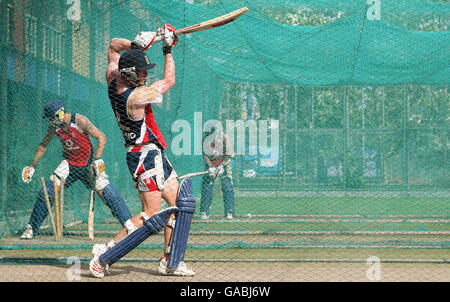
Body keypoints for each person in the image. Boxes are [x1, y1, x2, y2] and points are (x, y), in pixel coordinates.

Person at [88, 24, 195, 278]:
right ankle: (104, 255)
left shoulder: (113, 76)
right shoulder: (136, 98)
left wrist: (140, 44)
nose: (145, 75)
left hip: (153, 152)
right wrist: (167, 48)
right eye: (141, 72)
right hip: (143, 156)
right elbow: (169, 80)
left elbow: (114, 44)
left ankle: (170, 260)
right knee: (151, 215)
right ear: (130, 73)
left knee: (181, 205)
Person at [20, 100, 132, 239]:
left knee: (107, 192)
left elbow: (101, 136)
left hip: (88, 163)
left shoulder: (79, 120)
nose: (51, 122)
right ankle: (31, 228)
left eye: (53, 118)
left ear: (60, 113)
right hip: (69, 164)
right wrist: (32, 166)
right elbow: (43, 145)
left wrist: (97, 159)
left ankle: (130, 225)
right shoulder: (54, 127)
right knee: (47, 191)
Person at [199, 127, 235, 219]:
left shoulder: (224, 138)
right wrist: (210, 166)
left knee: (227, 186)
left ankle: (229, 212)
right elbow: (205, 154)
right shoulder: (205, 140)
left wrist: (221, 165)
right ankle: (204, 211)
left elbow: (229, 154)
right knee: (207, 186)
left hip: (224, 163)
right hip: (211, 164)